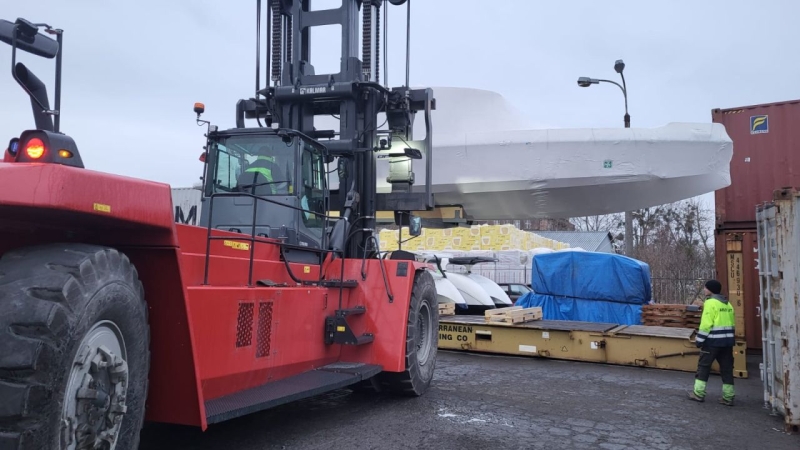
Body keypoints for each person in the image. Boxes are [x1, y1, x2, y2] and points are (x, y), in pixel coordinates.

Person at [688, 279, 736, 406]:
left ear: (711, 290)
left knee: (704, 367)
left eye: (706, 287)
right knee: (727, 369)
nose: (704, 289)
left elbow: (706, 325)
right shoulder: (727, 304)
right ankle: (728, 397)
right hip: (727, 343)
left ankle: (698, 394)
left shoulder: (710, 303)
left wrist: (699, 340)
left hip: (712, 342)